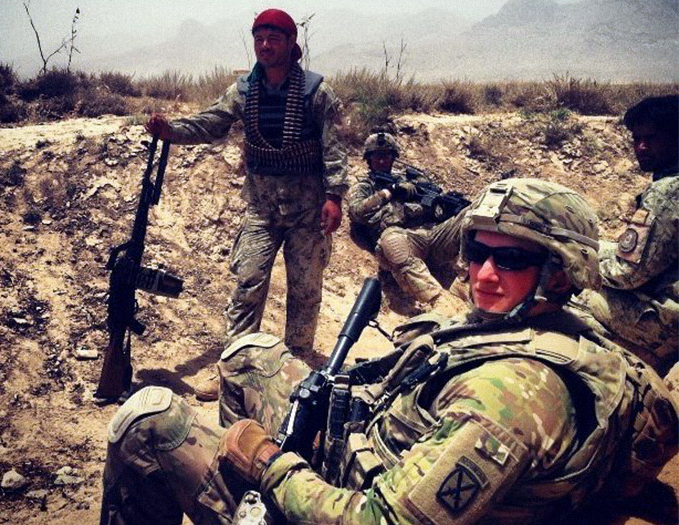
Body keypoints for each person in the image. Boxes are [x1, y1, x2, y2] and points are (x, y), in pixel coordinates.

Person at [99, 178, 678, 525]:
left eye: (512, 260)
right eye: (478, 251)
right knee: (249, 355)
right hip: (368, 458)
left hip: (357, 503)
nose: (483, 273)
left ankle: (254, 501)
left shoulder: (510, 402)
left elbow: (382, 520)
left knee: (145, 419)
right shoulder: (567, 329)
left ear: (558, 273)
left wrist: (271, 465)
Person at [145, 8, 348, 400]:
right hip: (261, 210)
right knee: (247, 285)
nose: (266, 46)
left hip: (307, 212)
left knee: (305, 291)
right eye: (259, 38)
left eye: (274, 38)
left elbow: (334, 148)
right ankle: (233, 371)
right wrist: (171, 131)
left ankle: (300, 367)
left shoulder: (315, 92)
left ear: (292, 44)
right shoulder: (243, 90)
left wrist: (334, 197)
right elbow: (211, 122)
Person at [571, 94, 678, 377]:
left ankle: (628, 366)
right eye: (636, 139)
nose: (641, 147)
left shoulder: (667, 193)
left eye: (651, 138)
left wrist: (578, 262)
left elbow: (628, 273)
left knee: (565, 289)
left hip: (666, 324)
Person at [347, 131, 464, 311]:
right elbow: (356, 212)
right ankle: (440, 302)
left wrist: (445, 208)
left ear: (393, 158)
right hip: (400, 242)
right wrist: (388, 193)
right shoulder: (365, 186)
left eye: (386, 156)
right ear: (368, 159)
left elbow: (435, 211)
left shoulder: (412, 181)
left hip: (431, 237)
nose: (382, 161)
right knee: (392, 240)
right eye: (377, 156)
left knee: (468, 220)